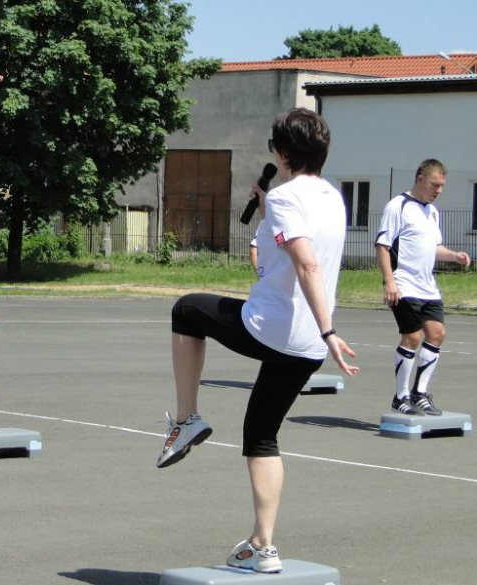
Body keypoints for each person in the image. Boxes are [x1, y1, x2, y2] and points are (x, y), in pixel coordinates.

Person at [156, 108, 358, 574]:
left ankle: (186, 419)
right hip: (304, 345)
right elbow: (292, 254)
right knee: (262, 436)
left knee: (186, 308)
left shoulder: (287, 197)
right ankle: (262, 547)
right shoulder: (332, 197)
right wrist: (267, 212)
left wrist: (330, 330)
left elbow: (306, 264)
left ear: (281, 153)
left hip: (272, 327)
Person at [375, 159, 471, 416]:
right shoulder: (398, 206)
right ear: (419, 178)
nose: (438, 190)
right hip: (403, 284)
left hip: (427, 287)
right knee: (413, 336)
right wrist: (389, 281)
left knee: (437, 334)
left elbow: (433, 248)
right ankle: (400, 396)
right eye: (434, 185)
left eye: (441, 186)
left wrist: (454, 255)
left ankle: (419, 394)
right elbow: (382, 245)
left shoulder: (432, 211)